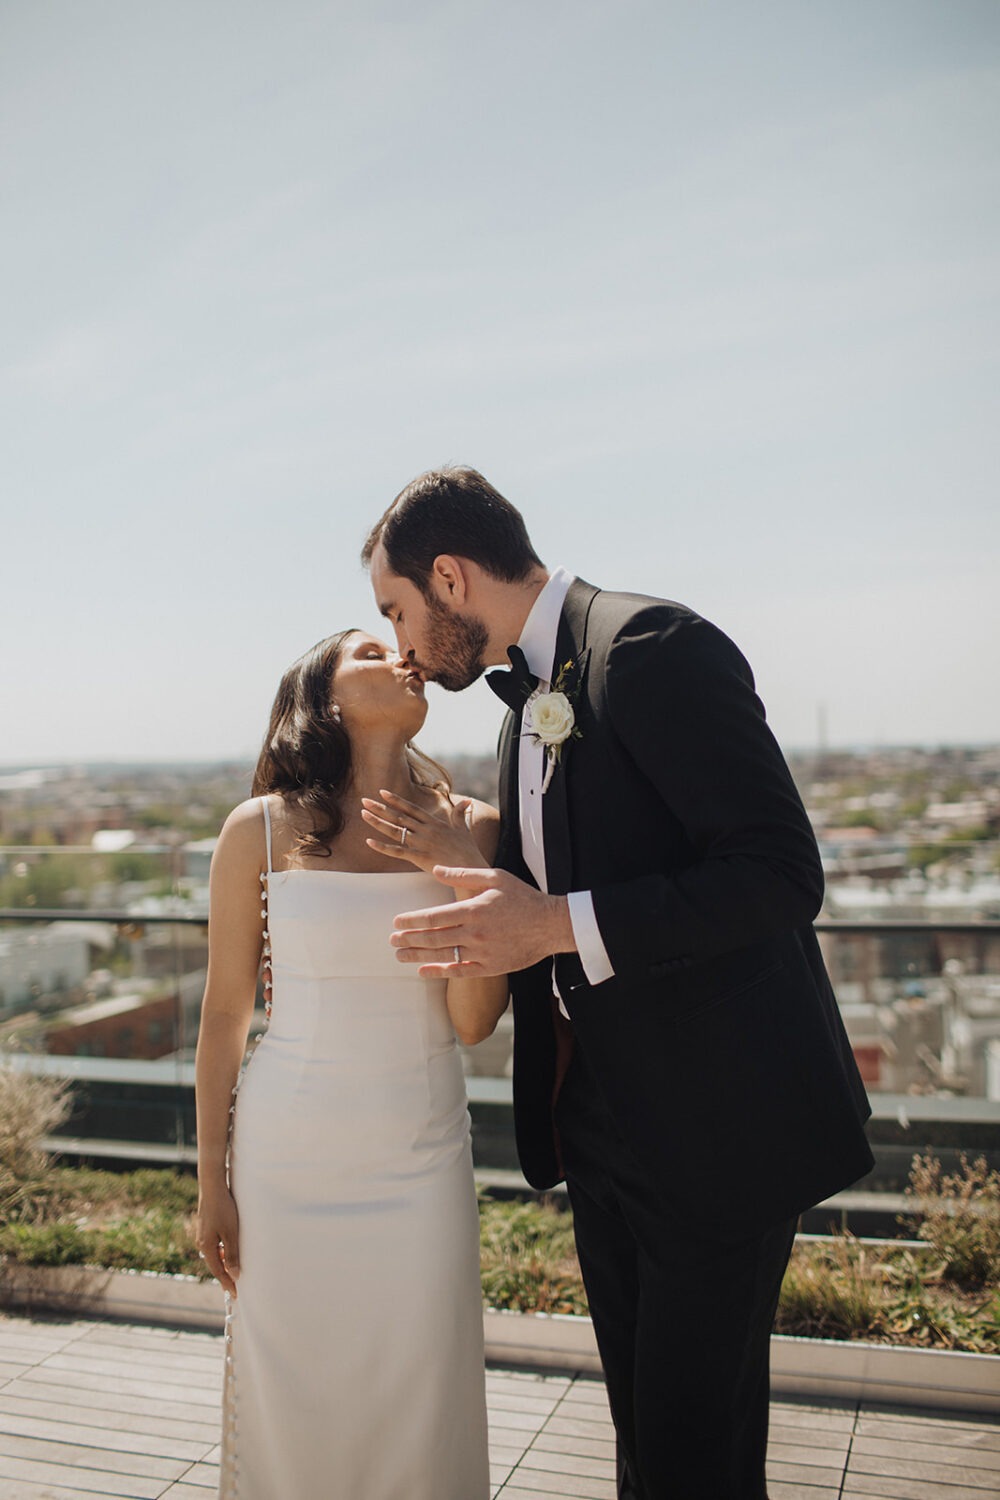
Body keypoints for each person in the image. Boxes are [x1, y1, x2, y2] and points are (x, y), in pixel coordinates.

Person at [362, 467, 875, 1500]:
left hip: (715, 1135)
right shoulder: (521, 714)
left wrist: (546, 923)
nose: (402, 644)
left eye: (397, 610)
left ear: (451, 577)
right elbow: (572, 887)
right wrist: (464, 867)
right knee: (646, 1442)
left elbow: (778, 874)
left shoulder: (649, 647)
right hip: (601, 1130)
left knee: (696, 1457)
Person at [194, 628, 507, 1500]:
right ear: (323, 698)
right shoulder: (255, 832)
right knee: (296, 1402)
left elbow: (475, 1022)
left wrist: (455, 864)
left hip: (422, 1157)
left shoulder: (475, 824)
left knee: (424, 1397)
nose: (404, 655)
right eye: (371, 649)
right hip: (286, 1161)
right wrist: (210, 1181)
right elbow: (224, 1018)